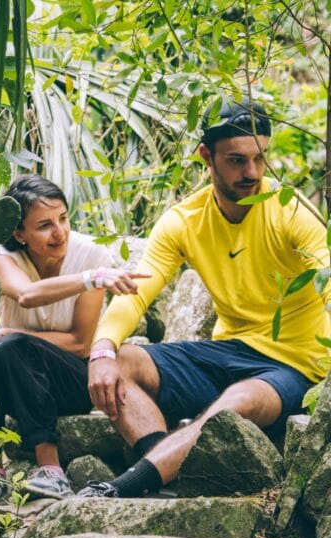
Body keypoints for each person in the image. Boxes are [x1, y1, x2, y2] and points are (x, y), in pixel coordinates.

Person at [82, 97, 330, 498]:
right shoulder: (184, 220)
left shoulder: (290, 211)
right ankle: (166, 471)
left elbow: (327, 277)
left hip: (295, 366)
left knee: (240, 399)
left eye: (260, 158)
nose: (252, 172)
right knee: (121, 360)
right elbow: (137, 292)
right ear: (206, 156)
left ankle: (129, 485)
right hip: (227, 353)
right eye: (237, 160)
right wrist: (102, 350)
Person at [0, 174, 146, 507]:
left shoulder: (90, 255)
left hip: (71, 381)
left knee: (12, 345)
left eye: (63, 219)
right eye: (44, 225)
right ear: (19, 233)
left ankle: (51, 469)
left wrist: (18, 335)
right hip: (16, 381)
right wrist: (91, 280)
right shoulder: (2, 257)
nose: (59, 232)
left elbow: (81, 343)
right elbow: (25, 295)